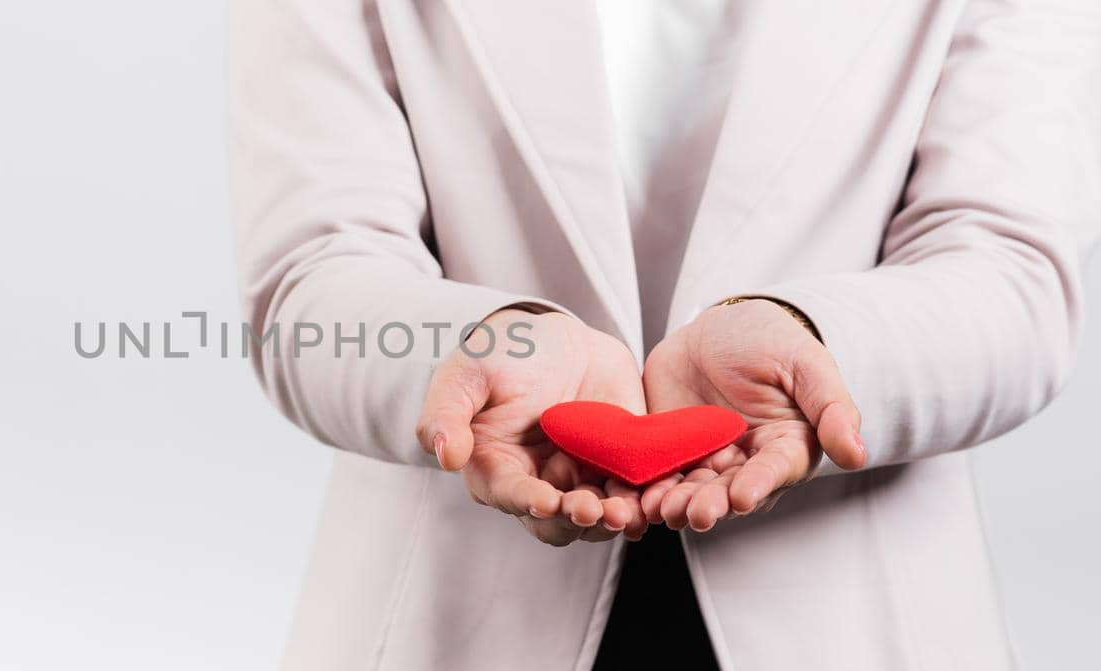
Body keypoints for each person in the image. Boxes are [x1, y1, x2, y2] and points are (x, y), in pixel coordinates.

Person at [226, 1, 1100, 669]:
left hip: (854, 607)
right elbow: (312, 274)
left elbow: (1009, 266)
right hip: (455, 608)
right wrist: (496, 345)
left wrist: (814, 342)